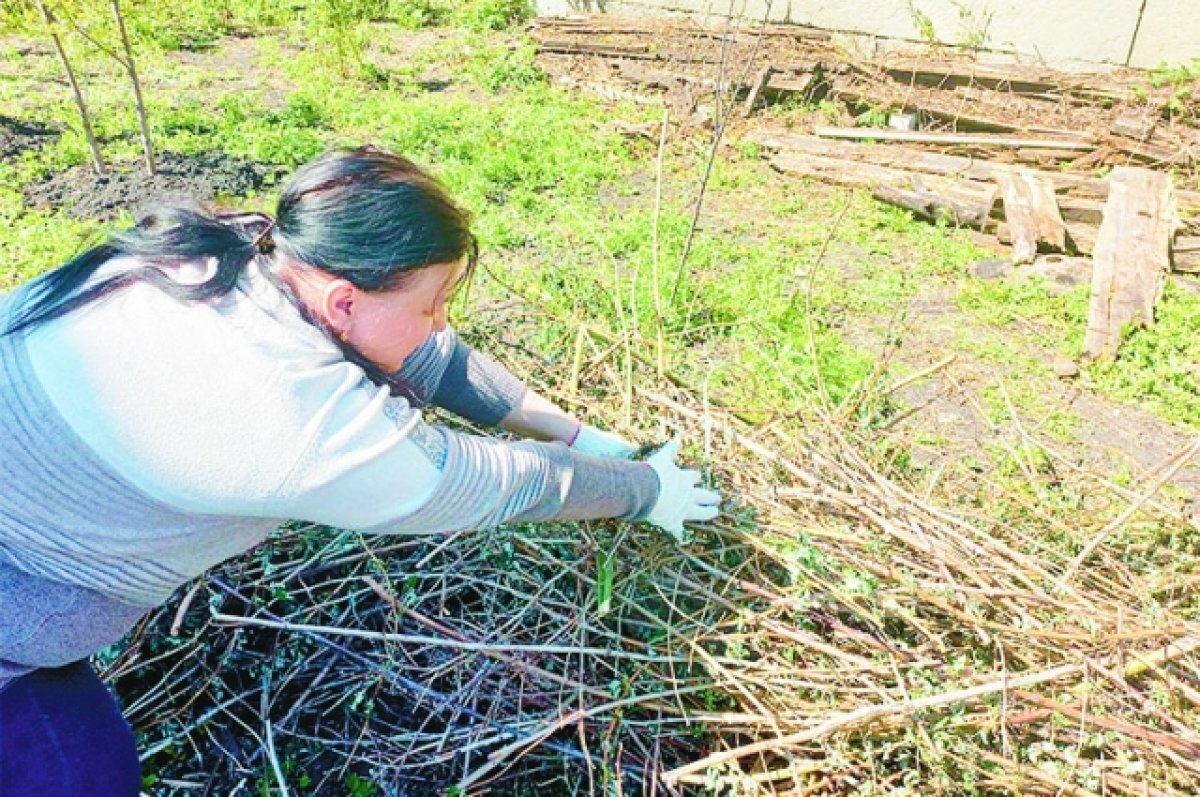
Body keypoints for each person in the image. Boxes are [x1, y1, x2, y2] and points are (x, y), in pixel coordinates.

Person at [0, 146, 721, 795]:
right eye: (434, 305)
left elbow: (426, 355)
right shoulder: (298, 418)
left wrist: (579, 433)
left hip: (24, 609)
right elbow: (510, 483)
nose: (442, 322)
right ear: (343, 299)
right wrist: (646, 490)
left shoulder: (226, 257)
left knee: (84, 763)